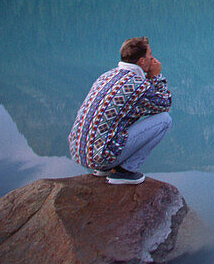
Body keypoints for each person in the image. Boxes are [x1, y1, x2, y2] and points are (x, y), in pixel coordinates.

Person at [68, 36, 172, 185]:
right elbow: (164, 104)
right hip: (102, 156)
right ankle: (124, 171)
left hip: (80, 153)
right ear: (142, 61)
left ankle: (103, 168)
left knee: (120, 117)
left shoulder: (107, 75)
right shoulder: (137, 84)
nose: (153, 59)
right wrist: (156, 77)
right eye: (150, 55)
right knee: (164, 120)